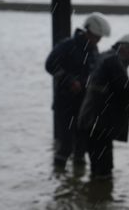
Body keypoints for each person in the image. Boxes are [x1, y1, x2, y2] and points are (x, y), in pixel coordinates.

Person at [45, 12, 111, 169]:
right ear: (87, 32)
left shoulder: (93, 50)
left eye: (99, 38)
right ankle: (60, 181)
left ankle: (78, 179)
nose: (97, 41)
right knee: (66, 145)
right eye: (95, 37)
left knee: (82, 146)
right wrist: (69, 81)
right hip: (65, 103)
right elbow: (50, 65)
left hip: (83, 105)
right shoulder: (66, 46)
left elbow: (95, 71)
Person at [78, 34, 129, 179]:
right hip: (100, 122)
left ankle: (93, 195)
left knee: (96, 164)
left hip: (91, 120)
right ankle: (102, 198)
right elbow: (124, 88)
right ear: (126, 49)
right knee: (104, 167)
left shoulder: (105, 56)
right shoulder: (113, 61)